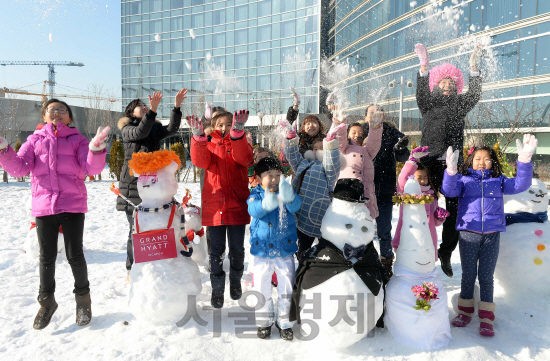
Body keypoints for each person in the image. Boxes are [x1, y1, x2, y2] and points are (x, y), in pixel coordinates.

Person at [0, 99, 109, 329]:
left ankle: (83, 302)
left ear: (69, 117)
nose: (57, 113)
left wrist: (95, 149)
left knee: (74, 255)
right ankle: (47, 303)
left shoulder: (77, 140)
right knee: (46, 257)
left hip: (72, 205)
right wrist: (4, 149)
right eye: (52, 110)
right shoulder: (34, 140)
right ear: (44, 117)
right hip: (43, 207)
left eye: (62, 110)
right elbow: (19, 167)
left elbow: (91, 168)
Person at [441, 135, 537, 337]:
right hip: (469, 234)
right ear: (470, 161)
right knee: (468, 275)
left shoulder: (499, 181)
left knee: (486, 277)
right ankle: (465, 312)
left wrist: (525, 161)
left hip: (491, 236)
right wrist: (450, 171)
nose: (481, 162)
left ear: (492, 162)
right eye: (477, 158)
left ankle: (486, 318)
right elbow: (448, 191)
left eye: (486, 158)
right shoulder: (463, 180)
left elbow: (521, 184)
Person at [414, 43, 484, 277]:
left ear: (456, 87)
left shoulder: (460, 104)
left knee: (454, 209)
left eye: (451, 84)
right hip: (430, 161)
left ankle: (445, 252)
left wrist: (473, 66)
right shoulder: (428, 103)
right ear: (436, 85)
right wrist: (424, 65)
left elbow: (474, 94)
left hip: (453, 165)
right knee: (423, 207)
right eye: (443, 82)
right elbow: (421, 91)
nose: (447, 86)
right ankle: (420, 251)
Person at [116, 89, 187, 274]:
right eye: (140, 106)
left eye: (145, 105)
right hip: (132, 185)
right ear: (131, 112)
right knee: (136, 228)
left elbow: (171, 129)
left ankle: (154, 264)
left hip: (153, 185)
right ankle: (132, 269)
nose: (144, 107)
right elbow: (141, 132)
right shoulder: (127, 129)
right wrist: (153, 111)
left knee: (155, 225)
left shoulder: (153, 127)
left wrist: (177, 107)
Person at [188, 110, 253, 308]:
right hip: (214, 205)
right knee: (215, 251)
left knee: (236, 249)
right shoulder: (207, 143)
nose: (224, 128)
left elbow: (245, 159)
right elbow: (199, 161)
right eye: (220, 125)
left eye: (228, 124)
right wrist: (198, 138)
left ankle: (235, 282)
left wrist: (238, 134)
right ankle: (217, 288)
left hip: (236, 204)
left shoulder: (241, 142)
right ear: (214, 127)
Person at [247, 157, 302, 341]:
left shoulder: (286, 192)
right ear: (259, 178)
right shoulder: (256, 194)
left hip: (284, 251)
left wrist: (290, 197)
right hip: (262, 252)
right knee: (262, 287)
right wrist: (265, 204)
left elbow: (296, 207)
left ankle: (285, 322)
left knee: (286, 287)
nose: (274, 179)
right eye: (268, 175)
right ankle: (264, 321)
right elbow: (253, 210)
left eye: (278, 175)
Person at [280, 119, 343, 261]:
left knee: (324, 248)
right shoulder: (304, 163)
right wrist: (291, 138)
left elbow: (332, 164)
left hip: (321, 213)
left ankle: (321, 270)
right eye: (317, 148)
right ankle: (303, 271)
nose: (319, 151)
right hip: (302, 213)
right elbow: (293, 156)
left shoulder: (328, 169)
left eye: (323, 148)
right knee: (303, 248)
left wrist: (331, 145)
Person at [361, 104, 410, 278]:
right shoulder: (360, 131)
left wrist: (400, 149)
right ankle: (364, 262)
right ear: (366, 117)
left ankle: (386, 263)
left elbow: (403, 157)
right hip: (363, 190)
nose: (374, 115)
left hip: (384, 188)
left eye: (378, 112)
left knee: (384, 231)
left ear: (383, 115)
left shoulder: (391, 132)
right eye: (371, 113)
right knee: (361, 230)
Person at [392, 146, 449, 271]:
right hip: (410, 234)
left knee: (424, 260)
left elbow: (435, 223)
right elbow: (402, 178)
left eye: (425, 177)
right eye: (419, 177)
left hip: (427, 236)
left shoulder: (431, 197)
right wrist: (412, 161)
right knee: (409, 259)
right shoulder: (406, 193)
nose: (423, 180)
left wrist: (439, 217)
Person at [332, 111, 383, 219]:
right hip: (346, 192)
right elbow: (340, 138)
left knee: (363, 224)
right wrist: (340, 123)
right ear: (348, 134)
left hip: (365, 193)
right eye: (353, 132)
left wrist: (375, 127)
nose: (357, 135)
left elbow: (374, 141)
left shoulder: (368, 151)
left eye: (360, 133)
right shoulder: (344, 148)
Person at [285, 88, 327, 155]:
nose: (311, 125)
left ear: (319, 125)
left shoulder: (325, 139)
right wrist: (295, 105)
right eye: (308, 123)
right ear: (303, 127)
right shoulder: (299, 138)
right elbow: (288, 124)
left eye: (314, 122)